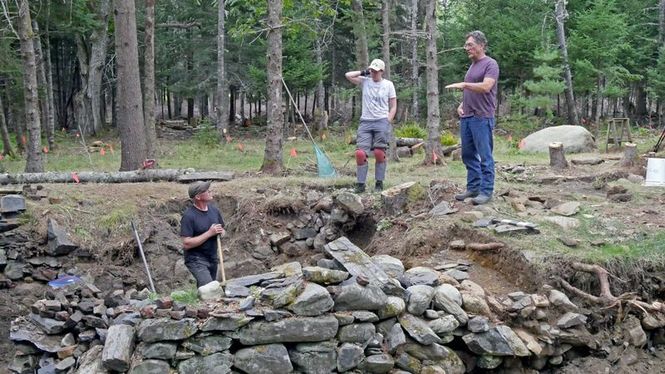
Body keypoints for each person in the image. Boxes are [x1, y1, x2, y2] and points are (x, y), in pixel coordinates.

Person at [445, 30, 500, 205]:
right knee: (468, 154)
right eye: (466, 45)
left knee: (485, 156)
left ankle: (486, 191)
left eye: (470, 45)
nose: (466, 48)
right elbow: (472, 91)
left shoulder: (490, 64)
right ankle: (473, 187)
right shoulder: (472, 66)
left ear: (481, 45)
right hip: (467, 116)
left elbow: (486, 87)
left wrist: (464, 84)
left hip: (482, 117)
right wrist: (462, 104)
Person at [345, 58, 397, 193]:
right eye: (372, 70)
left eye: (376, 71)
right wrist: (363, 72)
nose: (373, 73)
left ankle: (379, 183)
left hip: (381, 121)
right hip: (366, 121)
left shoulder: (388, 85)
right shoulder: (365, 81)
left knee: (379, 153)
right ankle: (360, 184)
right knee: (360, 153)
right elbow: (348, 75)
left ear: (382, 71)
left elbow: (393, 106)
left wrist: (388, 120)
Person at [180, 181, 226, 288]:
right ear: (198, 196)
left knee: (207, 290)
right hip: (196, 259)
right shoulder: (189, 216)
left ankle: (201, 303)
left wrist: (221, 232)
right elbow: (186, 243)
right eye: (206, 190)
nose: (210, 191)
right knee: (209, 287)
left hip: (212, 257)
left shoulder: (214, 211)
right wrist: (210, 233)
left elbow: (222, 230)